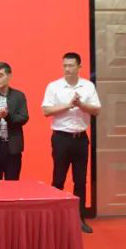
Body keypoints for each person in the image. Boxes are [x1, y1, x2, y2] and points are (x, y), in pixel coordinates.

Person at [42, 52, 101, 234]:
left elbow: (96, 110)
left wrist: (81, 104)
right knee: (58, 179)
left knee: (80, 181)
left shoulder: (88, 86)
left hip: (81, 138)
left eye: (71, 65)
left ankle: (79, 218)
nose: (67, 69)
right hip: (61, 138)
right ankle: (54, 219)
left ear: (79, 67)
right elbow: (46, 111)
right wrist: (69, 105)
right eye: (65, 65)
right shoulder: (54, 86)